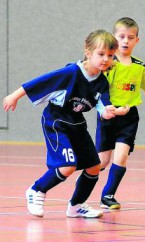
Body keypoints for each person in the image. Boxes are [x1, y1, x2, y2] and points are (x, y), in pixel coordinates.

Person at [2, 29, 123, 218]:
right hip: (56, 121)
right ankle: (36, 190)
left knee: (93, 166)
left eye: (110, 55)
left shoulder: (102, 81)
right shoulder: (71, 72)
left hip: (77, 124)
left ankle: (76, 206)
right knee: (68, 166)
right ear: (88, 52)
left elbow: (103, 103)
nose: (106, 59)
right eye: (101, 54)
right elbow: (40, 82)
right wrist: (15, 96)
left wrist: (107, 112)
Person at [96, 17, 145, 210]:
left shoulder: (139, 67)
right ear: (114, 38)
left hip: (129, 118)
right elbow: (99, 89)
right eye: (121, 36)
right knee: (101, 161)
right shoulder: (109, 64)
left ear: (136, 40)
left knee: (121, 156)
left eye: (130, 37)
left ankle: (108, 195)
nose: (125, 41)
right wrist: (107, 109)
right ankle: (81, 190)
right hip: (108, 116)